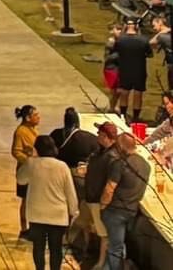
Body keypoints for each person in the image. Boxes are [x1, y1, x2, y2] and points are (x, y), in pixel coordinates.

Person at [23, 135, 77, 270]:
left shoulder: (32, 164)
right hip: (58, 215)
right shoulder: (62, 166)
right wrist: (73, 211)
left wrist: (29, 159)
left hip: (37, 214)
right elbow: (70, 192)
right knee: (56, 248)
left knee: (38, 247)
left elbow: (20, 179)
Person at [100, 132, 151, 270]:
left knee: (115, 249)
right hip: (132, 211)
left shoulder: (120, 164)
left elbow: (110, 189)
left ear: (121, 146)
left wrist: (103, 206)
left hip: (115, 211)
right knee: (117, 245)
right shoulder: (146, 165)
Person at [74, 121, 118, 268]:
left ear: (105, 136)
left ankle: (100, 262)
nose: (97, 136)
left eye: (99, 133)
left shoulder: (112, 157)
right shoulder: (100, 151)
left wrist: (104, 204)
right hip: (89, 196)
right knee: (83, 223)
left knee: (103, 233)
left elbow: (110, 183)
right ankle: (86, 248)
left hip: (98, 200)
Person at [110, 22, 150, 121]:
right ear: (137, 27)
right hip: (139, 70)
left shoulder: (120, 40)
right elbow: (149, 54)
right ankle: (135, 117)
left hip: (124, 69)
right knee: (138, 95)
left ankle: (123, 115)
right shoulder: (144, 40)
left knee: (124, 93)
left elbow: (115, 51)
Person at [13, 105, 42, 238]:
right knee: (25, 200)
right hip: (26, 171)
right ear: (28, 118)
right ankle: (24, 229)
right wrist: (29, 160)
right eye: (35, 115)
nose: (38, 117)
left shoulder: (33, 129)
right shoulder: (21, 132)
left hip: (36, 170)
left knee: (35, 200)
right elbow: (16, 151)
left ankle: (33, 227)